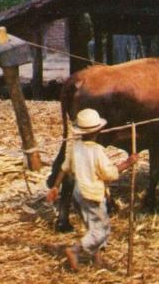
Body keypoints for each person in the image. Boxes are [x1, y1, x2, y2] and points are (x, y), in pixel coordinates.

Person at [46, 108, 138, 271]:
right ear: (99, 130)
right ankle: (74, 251)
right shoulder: (97, 151)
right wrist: (128, 163)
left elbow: (64, 168)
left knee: (93, 227)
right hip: (92, 195)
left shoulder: (75, 147)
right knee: (101, 230)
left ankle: (97, 260)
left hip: (78, 193)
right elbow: (109, 174)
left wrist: (56, 186)